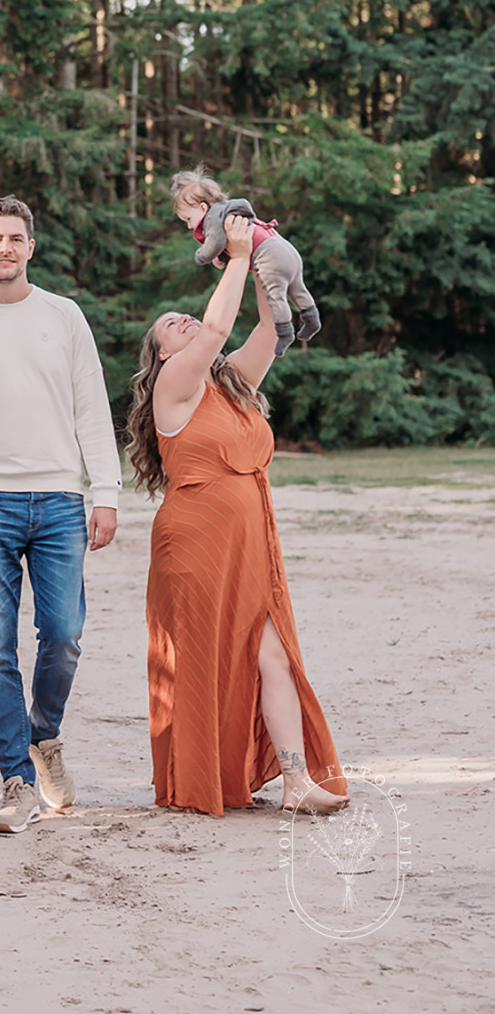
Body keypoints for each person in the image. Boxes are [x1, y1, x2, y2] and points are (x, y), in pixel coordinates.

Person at [127, 212, 349, 817]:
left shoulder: (231, 385)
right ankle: (202, 774)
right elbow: (218, 325)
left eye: (186, 317)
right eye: (171, 326)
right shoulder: (174, 384)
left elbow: (271, 335)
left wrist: (264, 263)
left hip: (250, 537)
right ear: (162, 353)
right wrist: (237, 253)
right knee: (208, 655)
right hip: (196, 541)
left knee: (272, 653)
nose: (185, 321)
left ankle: (296, 782)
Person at [0, 197, 120, 836]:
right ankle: (16, 780)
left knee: (63, 634)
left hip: (61, 501)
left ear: (30, 248)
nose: (5, 247)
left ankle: (46, 736)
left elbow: (91, 406)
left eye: (16, 237)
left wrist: (107, 492)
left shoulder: (63, 316)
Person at [171, 168, 320, 358]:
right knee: (297, 288)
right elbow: (228, 242)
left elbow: (215, 242)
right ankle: (311, 318)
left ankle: (285, 332)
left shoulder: (212, 217)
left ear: (202, 208)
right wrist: (223, 257)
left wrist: (202, 256)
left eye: (188, 219)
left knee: (275, 296)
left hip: (268, 255)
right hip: (284, 247)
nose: (190, 226)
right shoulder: (227, 210)